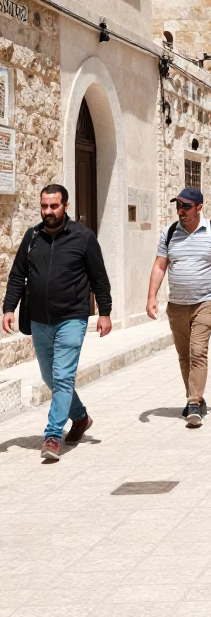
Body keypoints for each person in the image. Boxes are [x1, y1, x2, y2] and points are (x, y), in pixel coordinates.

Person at [2, 184, 112, 461]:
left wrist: (105, 312)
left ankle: (52, 435)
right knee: (50, 376)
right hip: (39, 319)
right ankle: (81, 417)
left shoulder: (83, 237)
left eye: (54, 206)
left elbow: (99, 278)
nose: (48, 211)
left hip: (72, 317)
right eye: (44, 206)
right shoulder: (32, 237)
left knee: (63, 376)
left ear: (66, 206)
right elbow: (17, 275)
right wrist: (8, 308)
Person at [146, 187, 211, 429]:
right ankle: (195, 397)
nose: (181, 211)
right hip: (177, 305)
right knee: (184, 355)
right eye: (178, 206)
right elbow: (160, 266)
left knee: (197, 351)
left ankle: (194, 403)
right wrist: (151, 296)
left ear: (199, 207)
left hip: (205, 302)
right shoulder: (169, 233)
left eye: (186, 206)